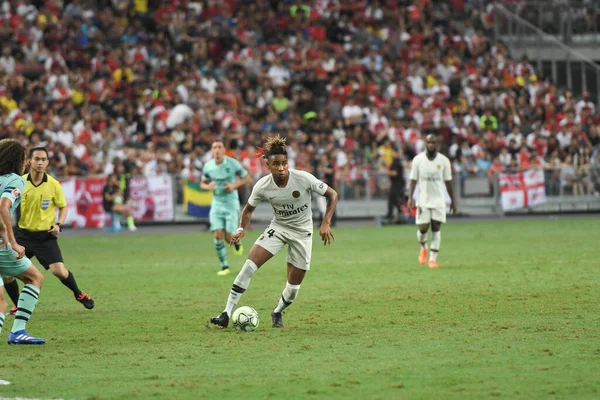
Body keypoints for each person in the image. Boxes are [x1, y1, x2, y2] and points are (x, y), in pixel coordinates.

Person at [209, 135, 338, 329]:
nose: (281, 168)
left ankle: (277, 311)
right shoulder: (262, 185)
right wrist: (241, 229)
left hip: (303, 233)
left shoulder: (303, 178)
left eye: (284, 163)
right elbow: (248, 210)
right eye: (276, 164)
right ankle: (226, 313)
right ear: (268, 166)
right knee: (248, 267)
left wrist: (326, 222)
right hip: (278, 228)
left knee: (293, 289)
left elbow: (332, 194)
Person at [2, 147, 95, 315]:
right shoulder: (20, 182)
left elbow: (63, 206)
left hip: (45, 236)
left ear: (47, 162)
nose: (40, 162)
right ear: (29, 161)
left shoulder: (53, 184)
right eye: (36, 159)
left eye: (43, 159)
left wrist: (58, 224)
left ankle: (78, 293)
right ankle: (18, 306)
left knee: (58, 271)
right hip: (23, 234)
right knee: (7, 272)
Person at [0, 139, 46, 344]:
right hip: (2, 247)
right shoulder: (16, 180)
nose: (26, 162)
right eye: (25, 158)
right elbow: (3, 207)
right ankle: (18, 331)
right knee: (35, 278)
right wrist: (12, 241)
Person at [200, 140, 251, 276]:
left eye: (219, 147)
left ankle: (237, 243)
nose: (217, 150)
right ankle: (224, 266)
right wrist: (207, 186)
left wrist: (234, 186)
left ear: (224, 150)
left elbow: (246, 178)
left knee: (229, 236)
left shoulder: (233, 163)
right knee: (217, 234)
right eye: (214, 147)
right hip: (217, 203)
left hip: (231, 202)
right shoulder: (208, 166)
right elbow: (202, 183)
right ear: (212, 151)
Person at [407, 134, 456, 269]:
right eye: (429, 142)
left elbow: (448, 182)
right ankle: (423, 247)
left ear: (437, 145)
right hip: (423, 200)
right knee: (423, 228)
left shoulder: (444, 161)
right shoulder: (418, 160)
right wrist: (410, 197)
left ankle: (432, 260)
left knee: (436, 228)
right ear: (425, 144)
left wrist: (452, 200)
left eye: (433, 143)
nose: (431, 145)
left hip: (439, 200)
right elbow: (413, 180)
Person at [385, 149, 406, 223]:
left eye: (393, 151)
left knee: (394, 199)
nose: (391, 153)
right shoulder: (395, 161)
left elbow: (395, 173)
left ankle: (392, 215)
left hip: (398, 184)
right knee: (394, 199)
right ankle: (397, 214)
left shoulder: (396, 161)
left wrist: (387, 172)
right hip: (396, 184)